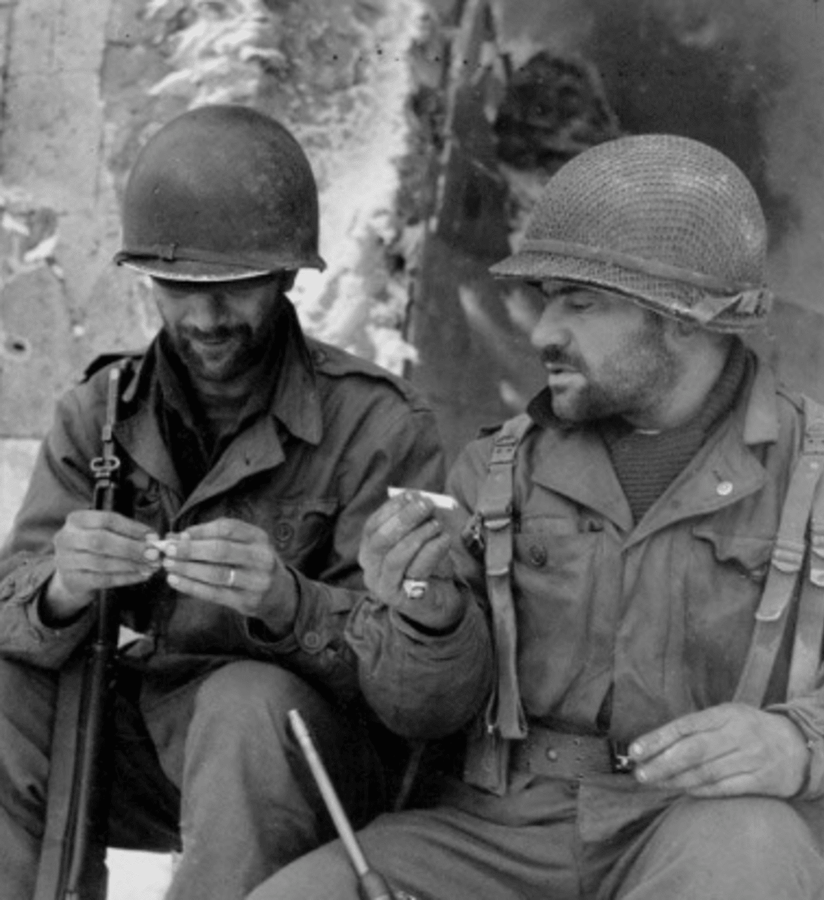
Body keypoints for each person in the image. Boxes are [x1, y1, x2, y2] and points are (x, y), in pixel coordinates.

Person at [247, 134, 824, 900]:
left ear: (684, 316)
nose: (541, 332)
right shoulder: (497, 472)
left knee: (747, 850)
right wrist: (425, 616)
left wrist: (799, 743)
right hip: (500, 837)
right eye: (547, 297)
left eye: (580, 303)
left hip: (705, 836)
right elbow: (419, 715)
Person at [0, 104, 484, 900]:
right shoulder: (99, 411)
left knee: (243, 702)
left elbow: (422, 691)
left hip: (305, 760)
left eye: (233, 289)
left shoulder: (376, 427)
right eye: (177, 287)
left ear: (289, 274)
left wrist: (288, 603)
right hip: (150, 742)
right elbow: (16, 600)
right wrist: (61, 589)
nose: (204, 318)